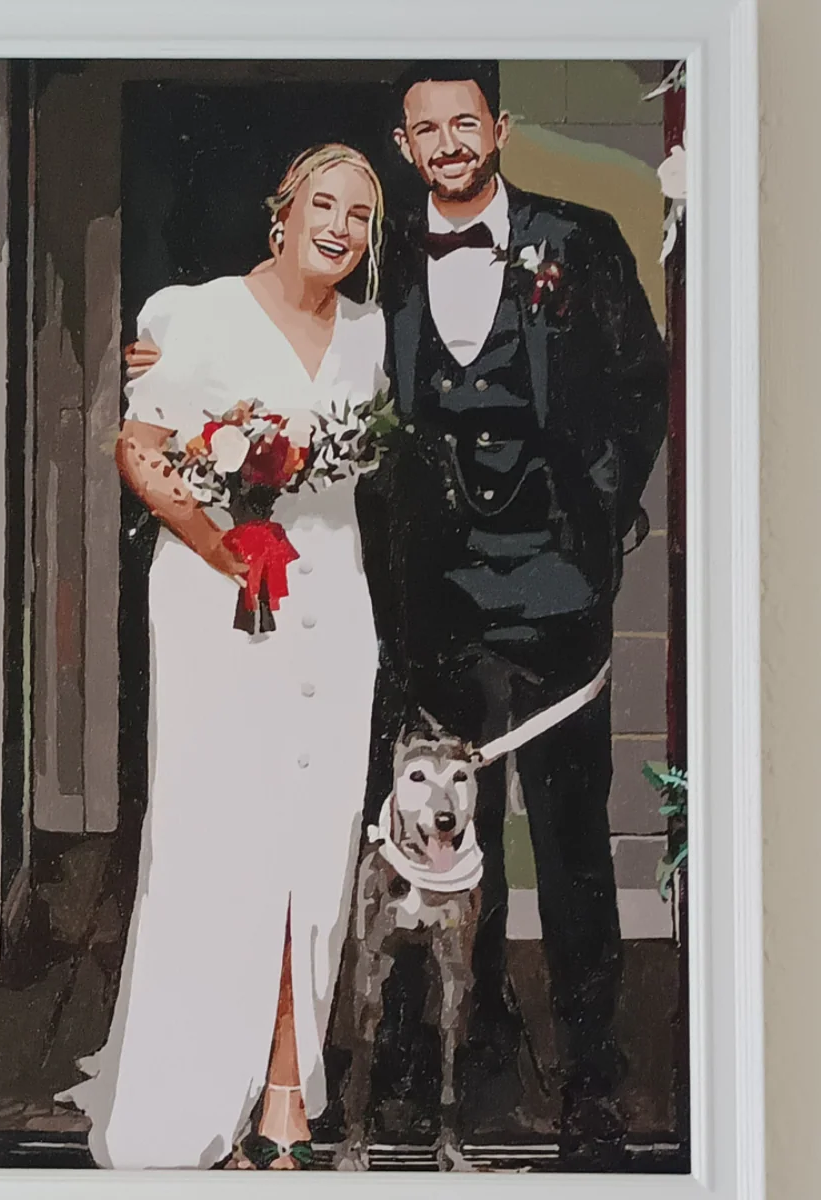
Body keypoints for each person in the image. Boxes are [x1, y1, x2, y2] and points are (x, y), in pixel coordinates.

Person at [357, 60, 669, 1168]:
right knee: (449, 837)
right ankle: (460, 1052)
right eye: (426, 129)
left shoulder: (577, 240)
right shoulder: (384, 253)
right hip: (437, 591)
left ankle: (591, 1081)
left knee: (572, 841)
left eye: (466, 122)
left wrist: (601, 517)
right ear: (404, 146)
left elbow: (642, 384)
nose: (448, 143)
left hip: (556, 587)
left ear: (501, 128)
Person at [58, 144, 389, 1170]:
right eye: (324, 204)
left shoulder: (371, 334)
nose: (340, 227)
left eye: (362, 216)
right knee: (218, 836)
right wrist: (219, 544)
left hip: (333, 596)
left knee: (317, 837)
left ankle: (286, 1086)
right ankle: (195, 1093)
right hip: (219, 600)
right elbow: (141, 449)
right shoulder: (192, 315)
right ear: (282, 213)